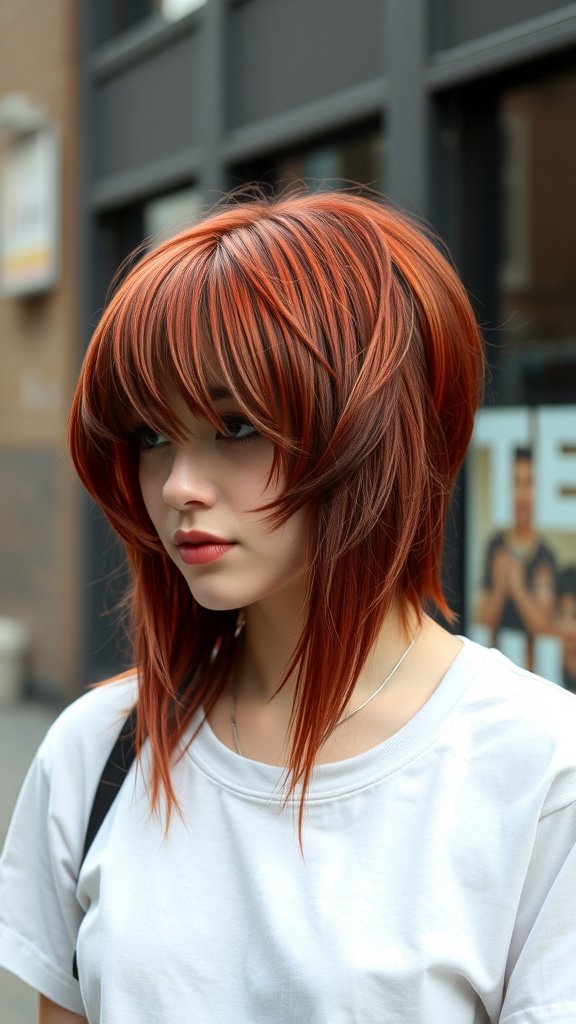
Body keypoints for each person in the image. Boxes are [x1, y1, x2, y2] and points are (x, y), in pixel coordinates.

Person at [0, 188, 575, 1024]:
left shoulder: (538, 771)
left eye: (237, 427)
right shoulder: (99, 751)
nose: (178, 488)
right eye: (153, 435)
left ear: (373, 432)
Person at [474, 447, 557, 665]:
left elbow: (546, 632)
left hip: (532, 669)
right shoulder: (494, 546)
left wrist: (518, 589)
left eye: (528, 483)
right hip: (496, 665)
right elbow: (480, 625)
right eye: (515, 482)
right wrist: (501, 588)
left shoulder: (546, 555)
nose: (521, 494)